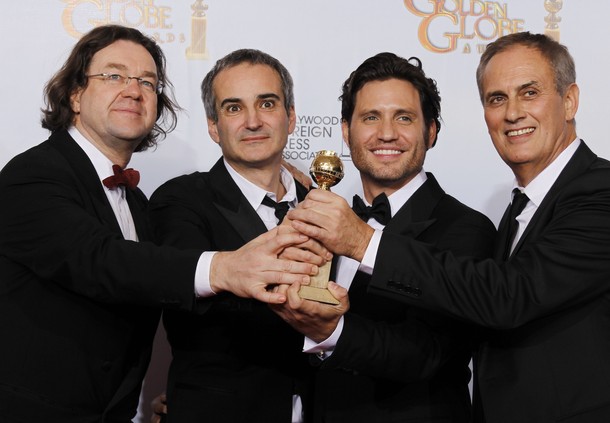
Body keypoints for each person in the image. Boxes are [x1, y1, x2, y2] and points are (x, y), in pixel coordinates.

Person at [0, 25, 322, 423]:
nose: (133, 90)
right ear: (75, 94)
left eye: (147, 82)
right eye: (114, 75)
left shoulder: (135, 201)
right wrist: (222, 268)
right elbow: (100, 261)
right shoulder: (33, 173)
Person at [287, 32, 610, 423]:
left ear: (570, 100)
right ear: (346, 131)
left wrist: (362, 245)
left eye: (529, 93)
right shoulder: (520, 210)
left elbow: (504, 300)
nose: (512, 113)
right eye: (496, 99)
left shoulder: (597, 191)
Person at [272, 52, 496, 422]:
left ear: (432, 131)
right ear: (346, 131)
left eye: (404, 118)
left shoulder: (466, 229)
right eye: (370, 117)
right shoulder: (321, 220)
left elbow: (428, 353)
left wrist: (331, 331)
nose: (386, 133)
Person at [148, 49, 325, 423]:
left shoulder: (323, 206)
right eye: (233, 108)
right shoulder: (180, 200)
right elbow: (187, 302)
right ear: (214, 126)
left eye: (267, 103)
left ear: (290, 117)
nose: (253, 121)